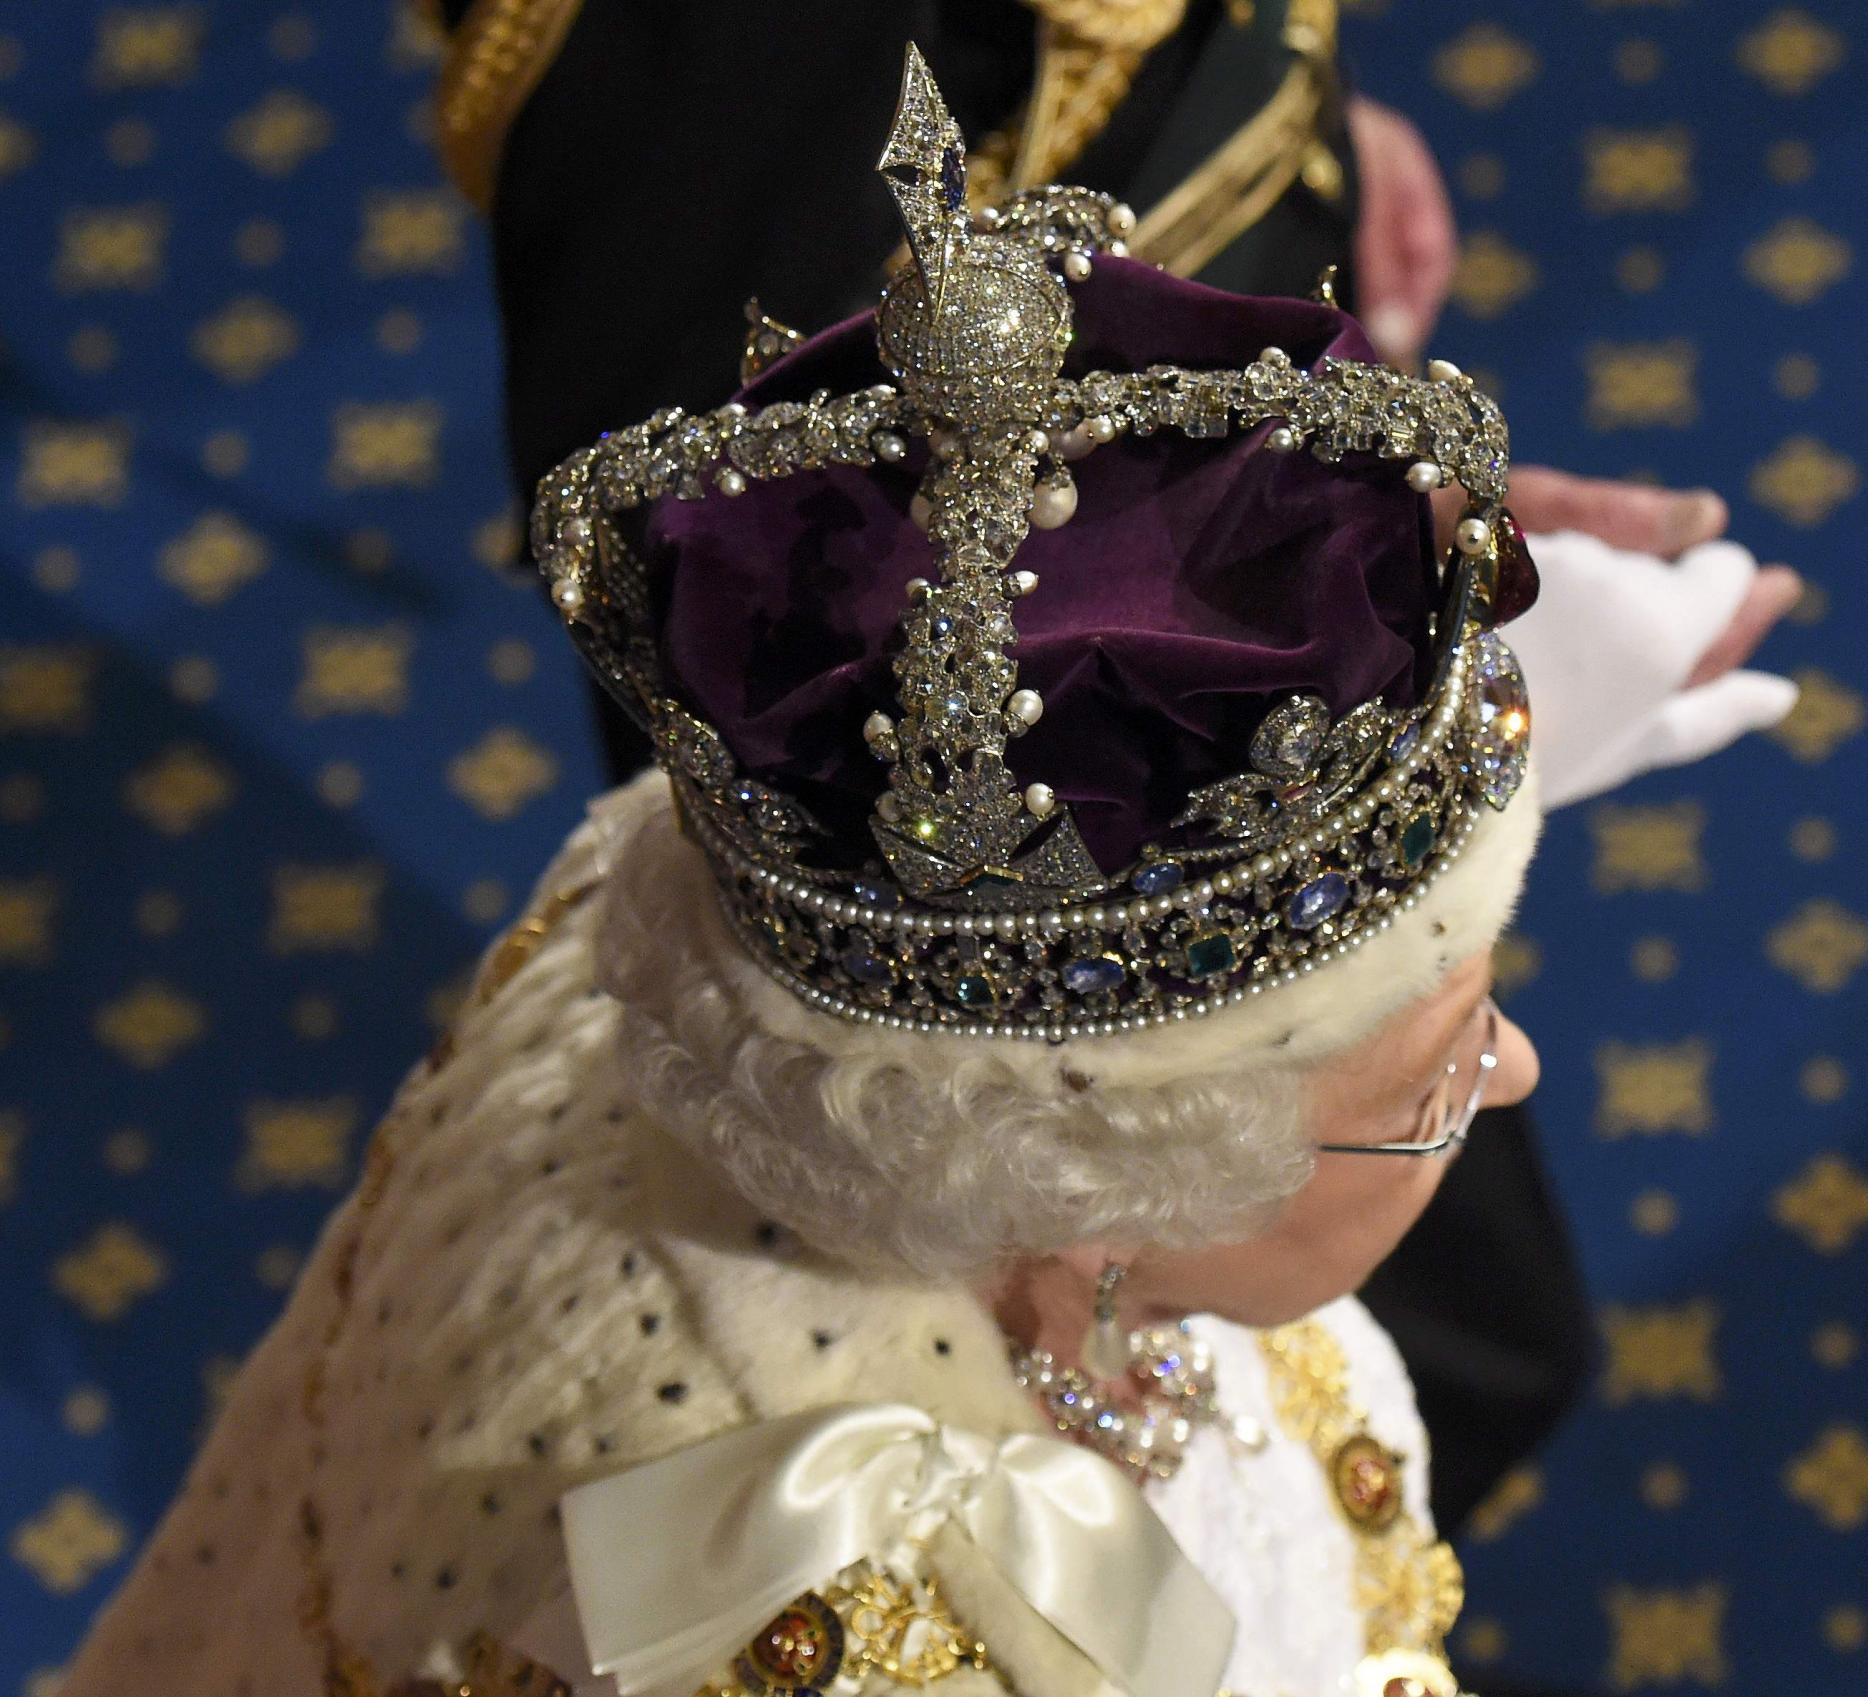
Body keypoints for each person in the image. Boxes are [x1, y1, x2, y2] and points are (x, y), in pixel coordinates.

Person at [59, 58, 1792, 1697]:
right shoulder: (869, 1606)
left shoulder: (694, 969)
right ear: (1110, 1192)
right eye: (1432, 1075)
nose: (1512, 1071)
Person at [430, 0, 1796, 1533]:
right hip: (1086, 876)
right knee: (1478, 1339)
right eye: (1434, 1078)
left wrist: (1290, 123)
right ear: (1086, 1218)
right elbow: (778, 575)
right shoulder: (859, 1555)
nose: (1522, 1060)